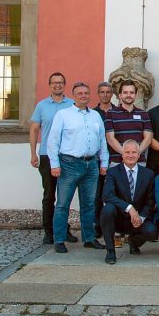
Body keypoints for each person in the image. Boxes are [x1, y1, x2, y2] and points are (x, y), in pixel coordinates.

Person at [47, 82, 109, 253]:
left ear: (90, 95)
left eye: (86, 93)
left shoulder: (95, 116)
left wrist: (104, 162)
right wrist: (55, 164)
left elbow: (102, 140)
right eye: (80, 93)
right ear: (73, 95)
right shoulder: (63, 115)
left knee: (89, 204)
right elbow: (53, 141)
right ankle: (59, 239)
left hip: (91, 164)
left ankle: (89, 238)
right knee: (62, 204)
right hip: (69, 164)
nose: (83, 95)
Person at [29, 72, 75, 244]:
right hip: (47, 156)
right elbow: (34, 130)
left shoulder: (72, 104)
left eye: (60, 83)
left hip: (67, 157)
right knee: (49, 195)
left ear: (65, 85)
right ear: (50, 85)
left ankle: (63, 229)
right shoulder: (42, 106)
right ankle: (48, 231)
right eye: (54, 83)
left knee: (65, 196)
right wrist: (33, 152)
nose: (57, 85)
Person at [100, 140, 159, 264]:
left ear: (139, 155)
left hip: (138, 219)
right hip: (119, 218)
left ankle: (134, 242)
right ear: (122, 154)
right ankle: (110, 251)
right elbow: (107, 196)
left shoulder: (148, 174)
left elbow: (150, 201)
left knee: (152, 232)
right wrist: (129, 208)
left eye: (134, 152)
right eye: (127, 152)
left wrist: (141, 217)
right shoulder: (113, 172)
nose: (130, 155)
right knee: (107, 209)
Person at [104, 81, 153, 167]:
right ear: (120, 95)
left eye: (131, 92)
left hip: (139, 162)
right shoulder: (111, 114)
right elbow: (110, 139)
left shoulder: (144, 114)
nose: (129, 95)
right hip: (117, 162)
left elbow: (148, 138)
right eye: (125, 92)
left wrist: (135, 155)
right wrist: (126, 154)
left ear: (135, 95)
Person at [91, 81, 115, 238]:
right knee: (97, 195)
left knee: (114, 194)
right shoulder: (92, 113)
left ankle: (115, 226)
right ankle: (97, 226)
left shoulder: (118, 112)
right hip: (97, 159)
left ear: (112, 94)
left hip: (115, 157)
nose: (105, 94)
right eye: (102, 92)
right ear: (98, 94)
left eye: (108, 92)